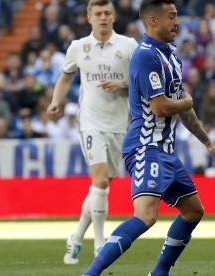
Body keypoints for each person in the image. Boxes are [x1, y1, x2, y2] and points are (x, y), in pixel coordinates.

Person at [83, 1, 215, 276]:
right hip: (146, 147)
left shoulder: (171, 57)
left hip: (166, 151)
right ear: (152, 20)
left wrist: (207, 142)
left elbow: (182, 106)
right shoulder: (145, 56)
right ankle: (89, 274)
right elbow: (160, 107)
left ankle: (160, 272)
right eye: (171, 16)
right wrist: (186, 102)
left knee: (194, 211)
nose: (177, 22)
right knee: (146, 216)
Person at [46, 0, 139, 265]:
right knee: (99, 182)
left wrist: (122, 83)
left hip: (120, 125)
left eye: (107, 13)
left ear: (113, 16)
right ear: (89, 17)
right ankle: (100, 245)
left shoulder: (128, 46)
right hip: (90, 122)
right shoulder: (77, 47)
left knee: (101, 187)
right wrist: (56, 101)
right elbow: (65, 77)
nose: (102, 17)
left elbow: (140, 80)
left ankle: (75, 238)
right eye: (97, 13)